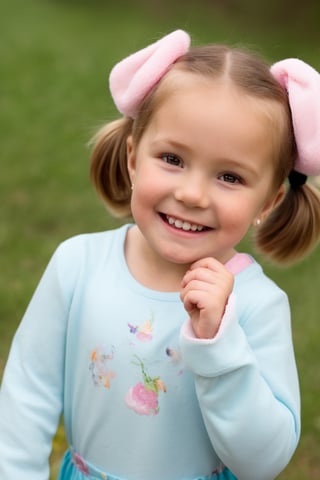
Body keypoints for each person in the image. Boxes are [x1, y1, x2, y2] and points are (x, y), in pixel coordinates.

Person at [1, 29, 320, 480]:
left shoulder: (255, 307)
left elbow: (262, 462)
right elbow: (25, 399)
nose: (191, 194)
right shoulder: (78, 266)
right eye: (172, 159)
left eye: (229, 177)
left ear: (267, 202)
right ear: (133, 157)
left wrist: (219, 347)